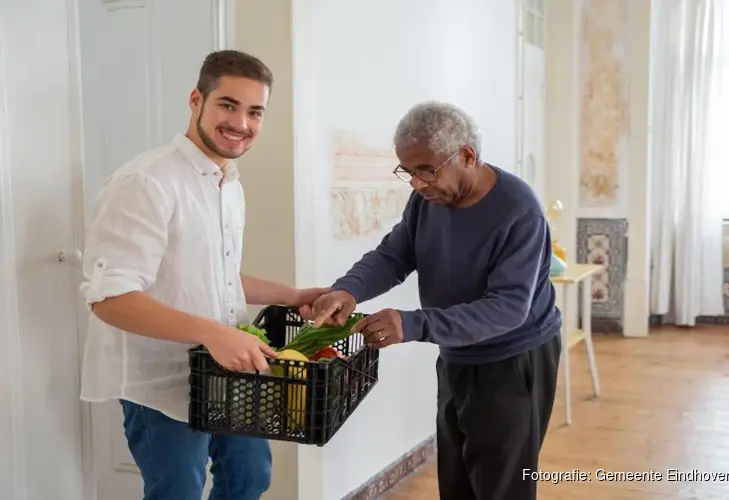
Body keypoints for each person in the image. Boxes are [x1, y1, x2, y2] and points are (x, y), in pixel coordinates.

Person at [79, 50, 327, 500]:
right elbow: (109, 298)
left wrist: (291, 294)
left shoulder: (228, 182)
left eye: (255, 112)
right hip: (160, 382)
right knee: (177, 492)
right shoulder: (146, 182)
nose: (241, 123)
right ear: (197, 101)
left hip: (229, 370)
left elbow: (217, 273)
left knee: (249, 478)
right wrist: (212, 332)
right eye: (228, 105)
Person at [311, 101, 562, 500]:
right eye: (407, 172)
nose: (416, 183)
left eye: (426, 170)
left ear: (466, 156)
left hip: (513, 362)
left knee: (502, 487)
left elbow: (508, 308)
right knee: (457, 480)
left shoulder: (520, 212)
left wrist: (413, 324)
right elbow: (395, 254)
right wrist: (348, 289)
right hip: (458, 354)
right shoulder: (428, 200)